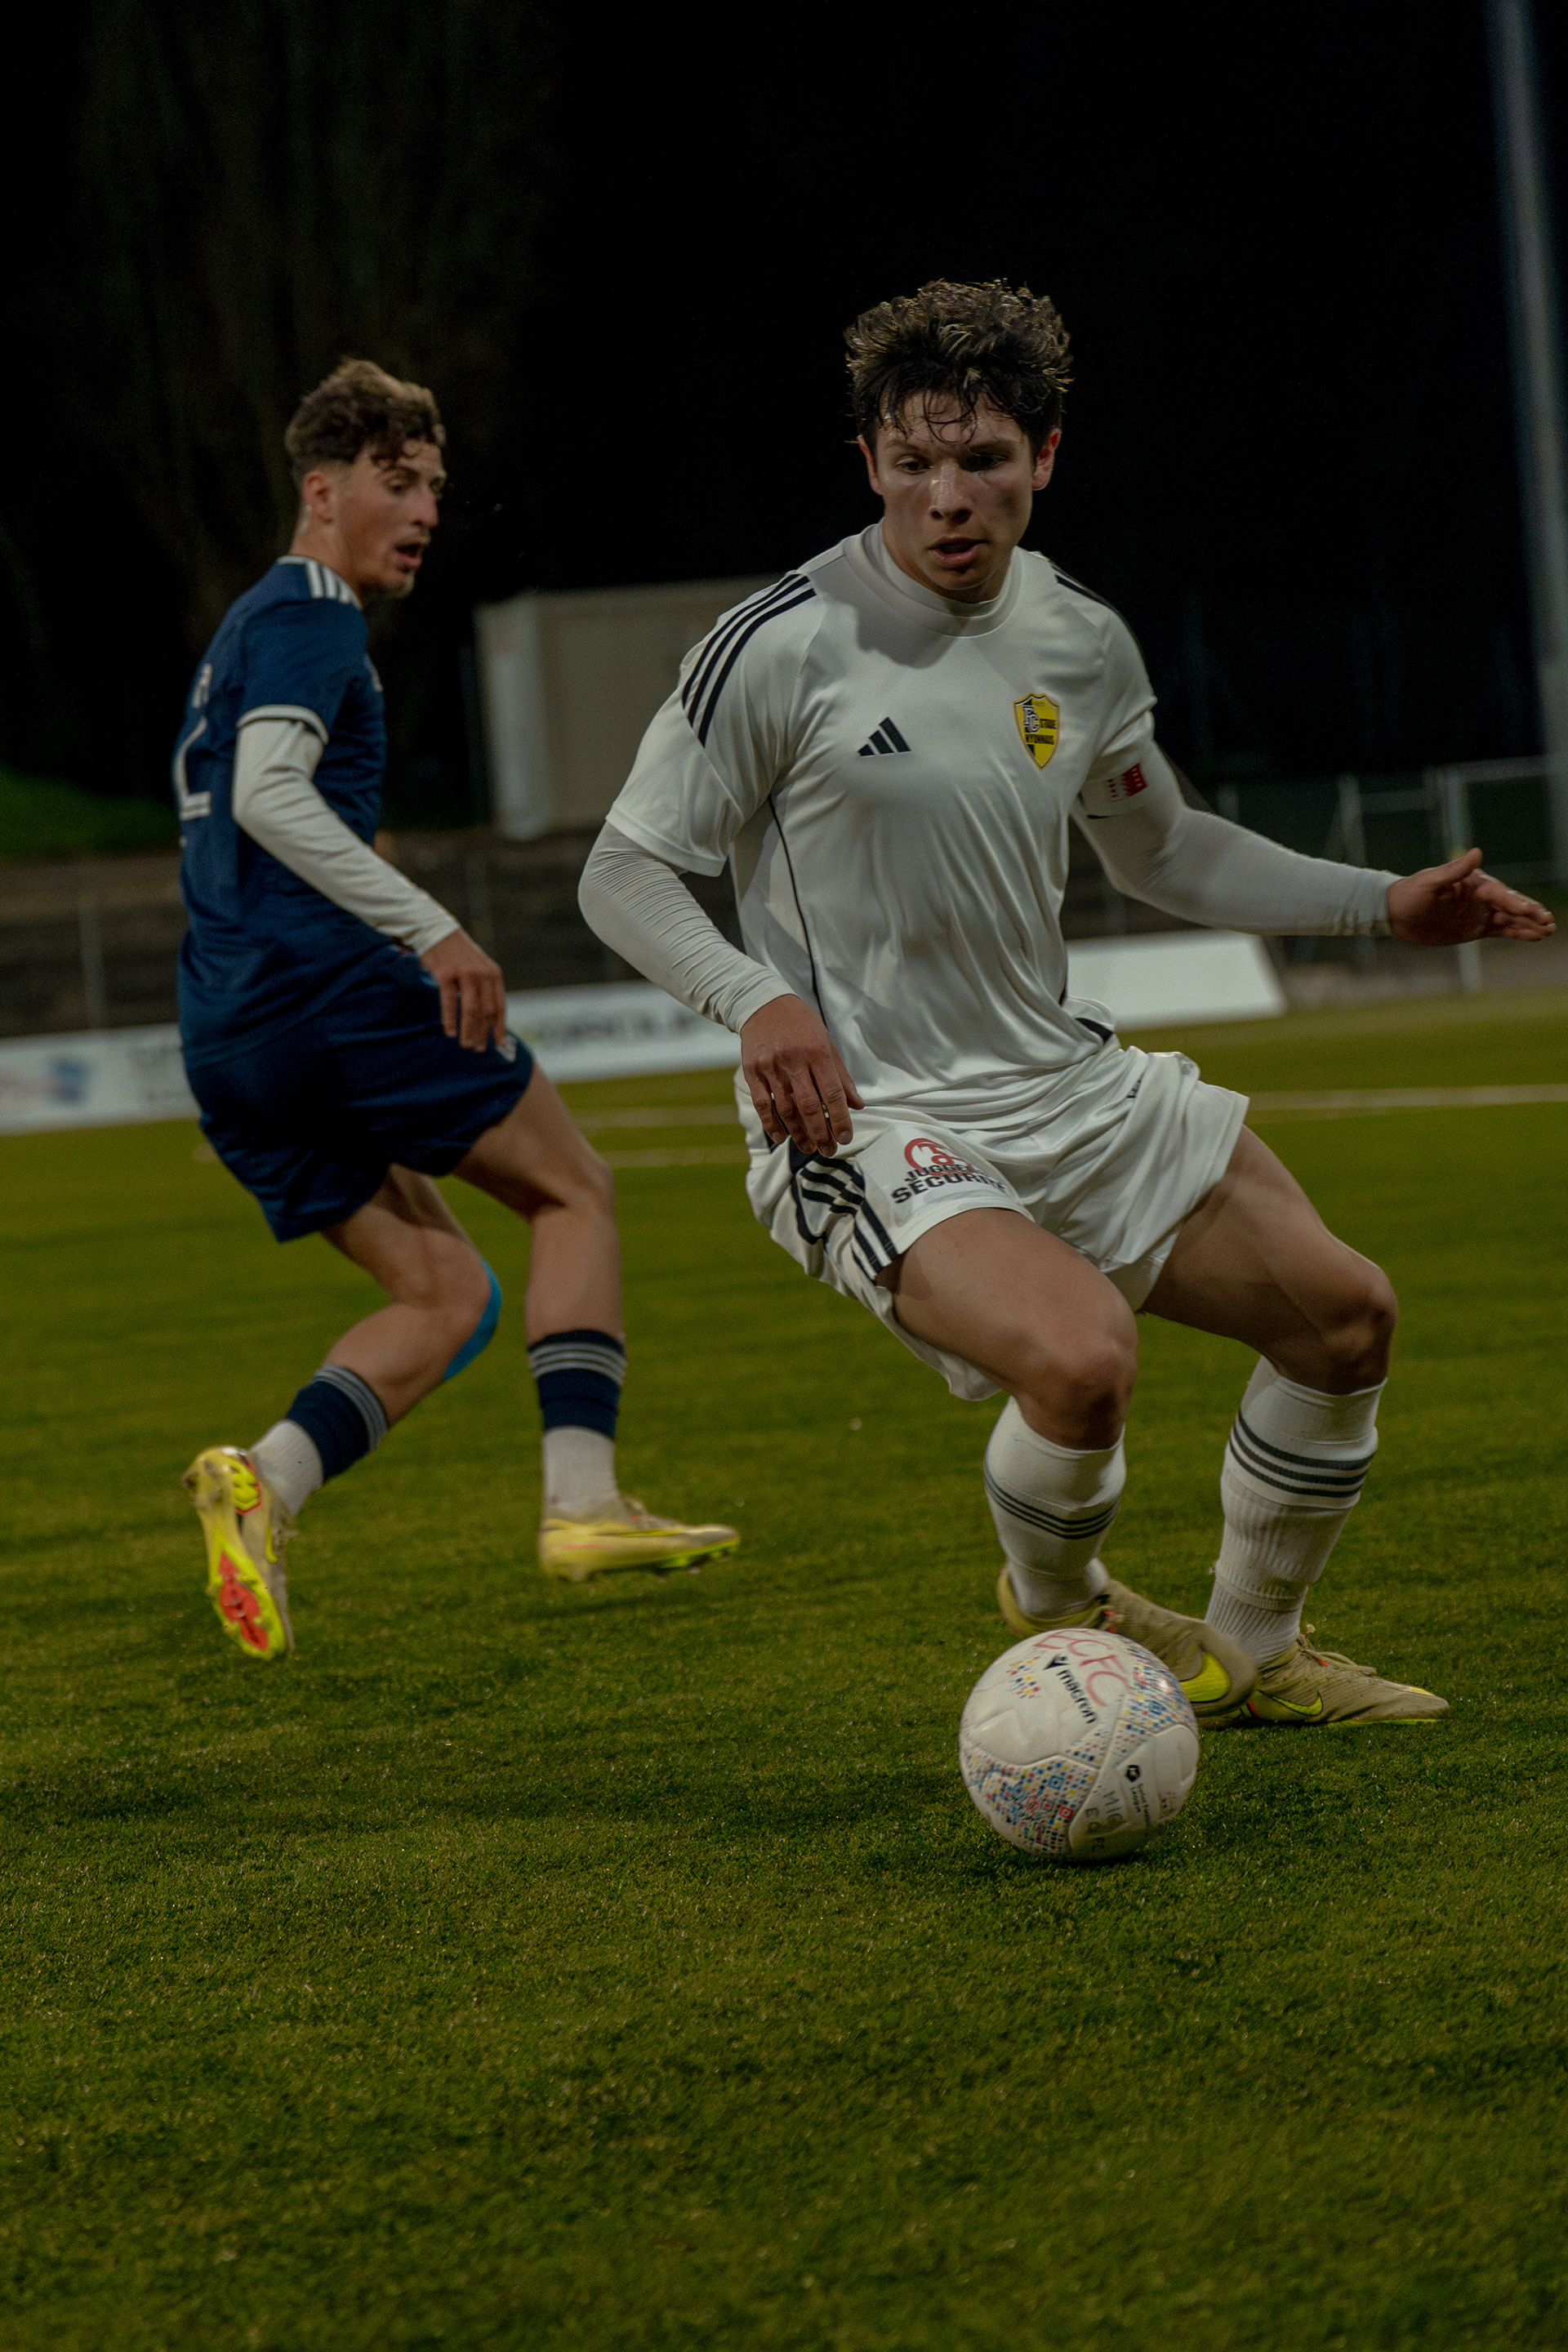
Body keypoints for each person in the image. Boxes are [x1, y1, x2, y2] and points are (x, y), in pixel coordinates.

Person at [578, 279, 1553, 1728]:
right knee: (1085, 1359)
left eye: (981, 458)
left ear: (1043, 454)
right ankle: (1059, 1610)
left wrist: (1383, 900)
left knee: (1347, 1318)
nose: (946, 496)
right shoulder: (779, 641)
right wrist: (756, 999)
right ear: (868, 464)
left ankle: (1258, 1653)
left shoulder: (1081, 638)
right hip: (871, 1113)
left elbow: (1164, 849)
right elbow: (623, 869)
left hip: (1064, 1083)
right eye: (912, 461)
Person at [173, 359, 737, 1660]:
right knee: (574, 1192)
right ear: (322, 492)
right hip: (324, 993)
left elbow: (240, 807)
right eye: (397, 481)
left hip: (228, 1031)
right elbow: (269, 794)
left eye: (433, 486)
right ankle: (584, 1504)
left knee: (443, 1290)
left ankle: (264, 1484)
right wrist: (430, 926)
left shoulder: (241, 633)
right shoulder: (312, 611)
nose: (425, 510)